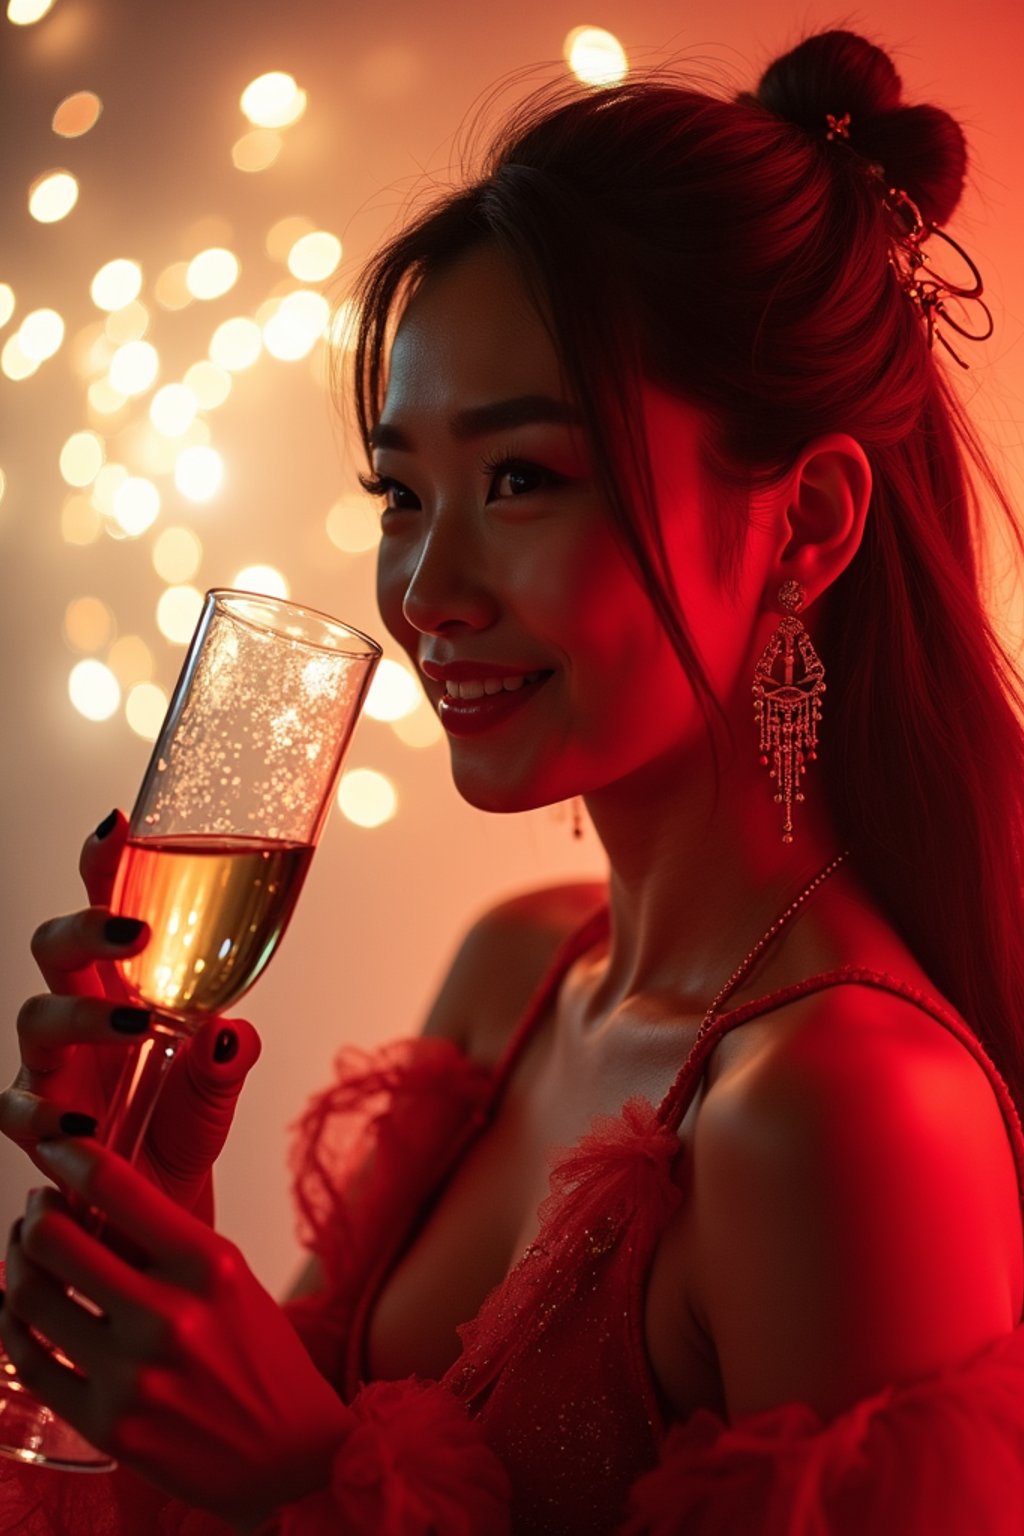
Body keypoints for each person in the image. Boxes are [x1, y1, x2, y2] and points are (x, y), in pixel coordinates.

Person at [3, 23, 1024, 1535]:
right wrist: (162, 1260)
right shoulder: (524, 967)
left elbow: (309, 1472)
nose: (427, 586)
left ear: (807, 519)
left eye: (524, 478)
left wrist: (301, 1481)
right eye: (402, 494)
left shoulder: (847, 1115)